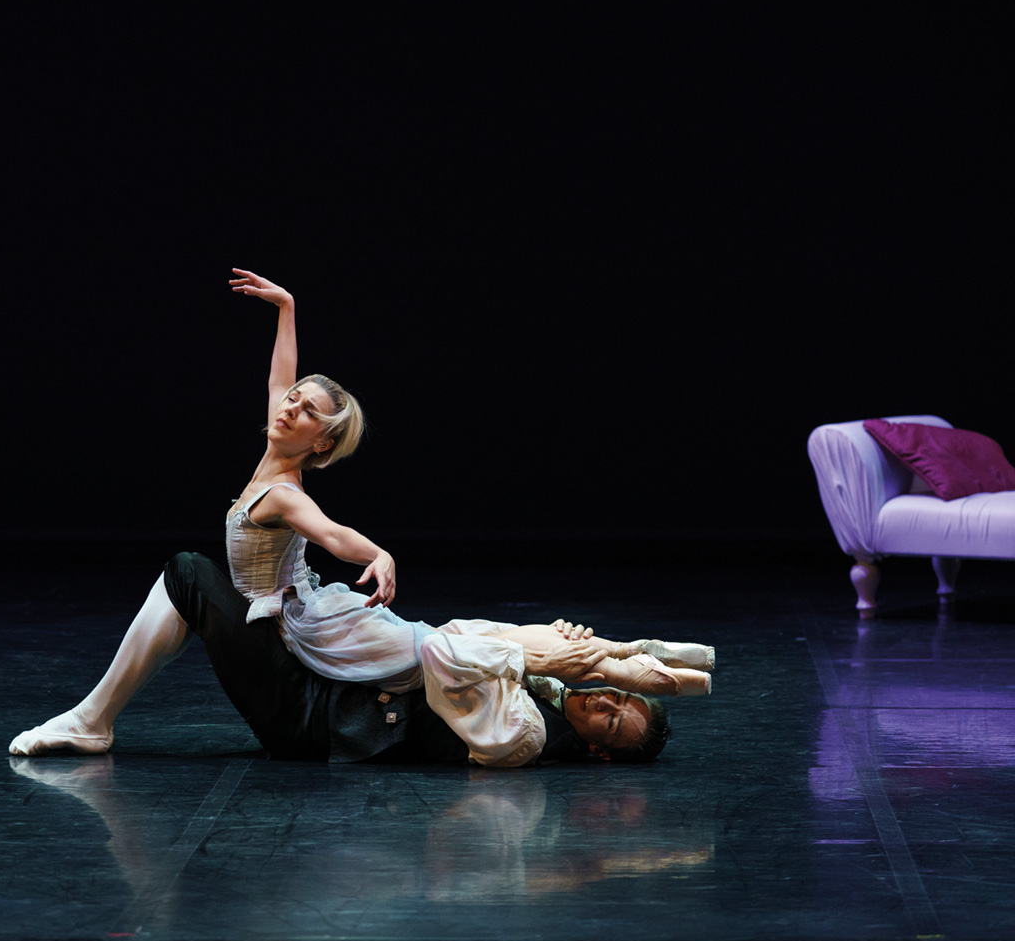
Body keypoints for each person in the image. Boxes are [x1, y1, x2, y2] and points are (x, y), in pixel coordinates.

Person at [219, 268, 712, 701]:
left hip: (325, 630)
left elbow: (329, 533)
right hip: (327, 616)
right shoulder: (279, 441)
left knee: (482, 646)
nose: (289, 407)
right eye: (294, 400)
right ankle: (644, 656)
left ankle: (645, 673)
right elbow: (279, 379)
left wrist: (377, 555)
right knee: (481, 635)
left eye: (306, 410)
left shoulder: (283, 490)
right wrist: (286, 306)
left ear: (322, 444)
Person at [11, 552, 672, 766]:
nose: (604, 701)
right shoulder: (556, 692)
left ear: (598, 753)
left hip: (314, 717)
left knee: (191, 575)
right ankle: (92, 719)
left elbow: (455, 650)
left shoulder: (533, 734)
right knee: (248, 569)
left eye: (612, 720)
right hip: (336, 679)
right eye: (617, 695)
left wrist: (539, 653)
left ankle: (93, 720)